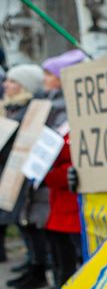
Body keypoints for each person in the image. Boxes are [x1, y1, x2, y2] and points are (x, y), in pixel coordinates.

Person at [30, 49, 88, 289]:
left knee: (75, 253)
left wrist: (54, 174)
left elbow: (76, 158)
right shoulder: (57, 111)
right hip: (57, 199)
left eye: (49, 74)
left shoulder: (79, 115)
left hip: (72, 201)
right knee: (59, 249)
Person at [2, 64, 44, 277]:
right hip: (10, 171)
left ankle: (37, 264)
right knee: (18, 219)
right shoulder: (10, 107)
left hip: (23, 174)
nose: (6, 85)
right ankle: (32, 260)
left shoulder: (30, 110)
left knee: (25, 218)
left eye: (13, 81)